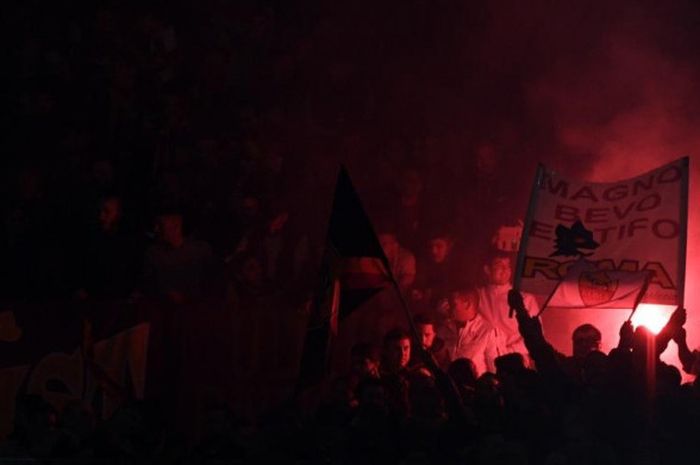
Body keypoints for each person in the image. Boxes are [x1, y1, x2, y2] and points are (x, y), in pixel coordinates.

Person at [142, 210, 216, 304]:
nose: (156, 229)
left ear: (176, 225)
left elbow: (212, 282)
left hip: (198, 309)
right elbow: (147, 284)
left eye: (160, 225)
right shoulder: (153, 253)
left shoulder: (201, 250)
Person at [477, 251, 539, 357]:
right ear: (487, 269)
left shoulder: (526, 299)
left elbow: (535, 336)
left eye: (508, 266)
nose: (505, 270)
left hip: (515, 361)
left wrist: (508, 352)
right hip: (482, 362)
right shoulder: (476, 296)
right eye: (499, 265)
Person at [437, 289, 497, 376]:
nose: (449, 307)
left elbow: (495, 371)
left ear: (468, 304)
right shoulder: (443, 329)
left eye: (453, 304)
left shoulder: (488, 331)